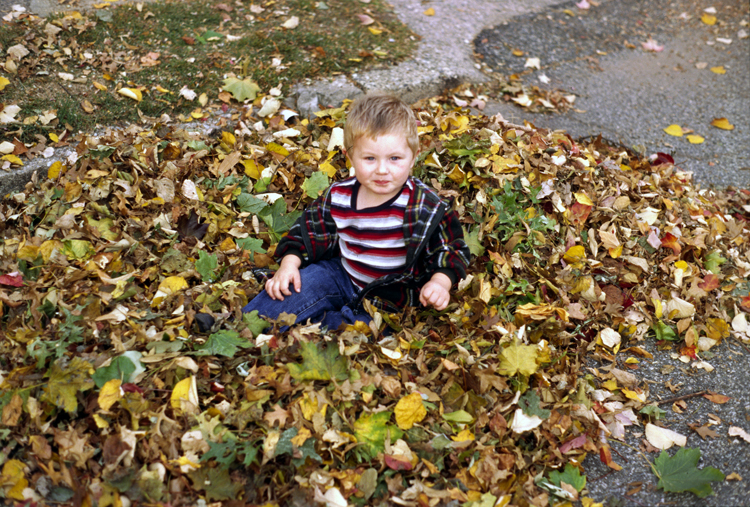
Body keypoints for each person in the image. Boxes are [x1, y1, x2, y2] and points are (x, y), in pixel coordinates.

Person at [240, 92, 471, 331]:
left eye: (394, 158)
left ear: (413, 157)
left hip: (388, 298)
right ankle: (241, 326)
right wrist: (289, 264)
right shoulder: (340, 196)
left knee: (360, 331)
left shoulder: (425, 207)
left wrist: (440, 282)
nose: (382, 170)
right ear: (350, 157)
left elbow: (450, 249)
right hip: (341, 274)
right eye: (369, 158)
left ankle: (323, 325)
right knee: (286, 293)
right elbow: (309, 231)